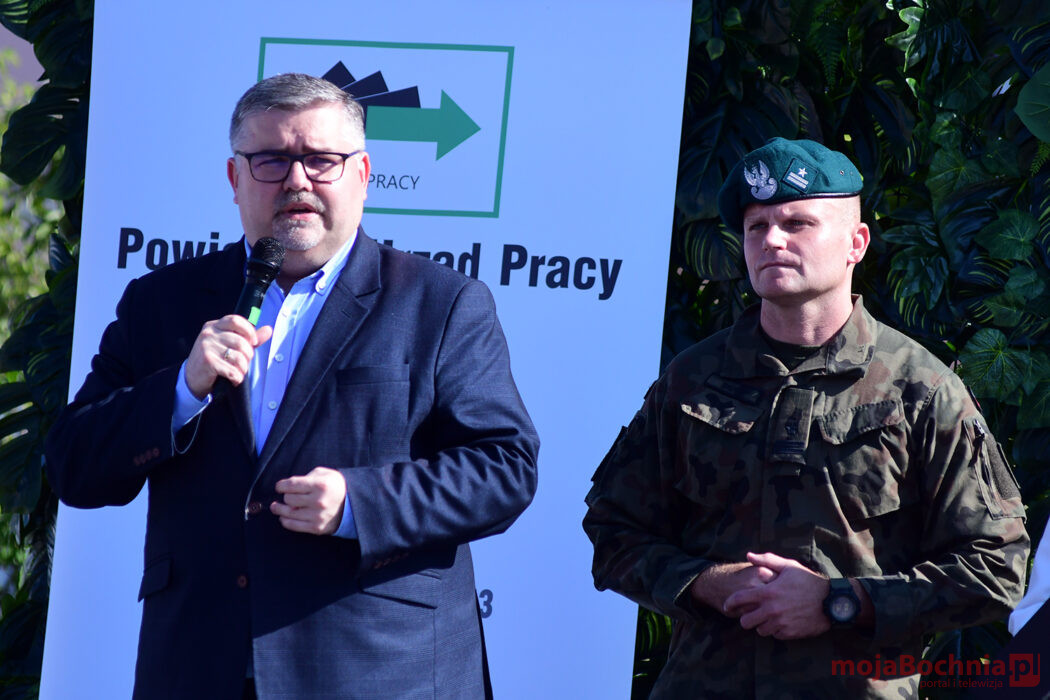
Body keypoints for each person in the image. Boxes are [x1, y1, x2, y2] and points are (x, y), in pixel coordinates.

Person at [45, 73, 539, 700]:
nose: (297, 181)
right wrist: (182, 391)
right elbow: (72, 465)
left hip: (380, 673)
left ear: (363, 174)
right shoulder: (162, 302)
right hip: (199, 667)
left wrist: (359, 503)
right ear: (235, 178)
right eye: (272, 160)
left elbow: (504, 468)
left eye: (321, 160)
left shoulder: (441, 303)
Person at [582, 138, 1029, 698]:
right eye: (756, 227)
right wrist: (707, 584)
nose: (772, 240)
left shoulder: (919, 387)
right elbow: (614, 531)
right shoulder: (691, 380)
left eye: (797, 223)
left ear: (856, 243)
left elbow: (997, 566)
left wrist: (840, 602)